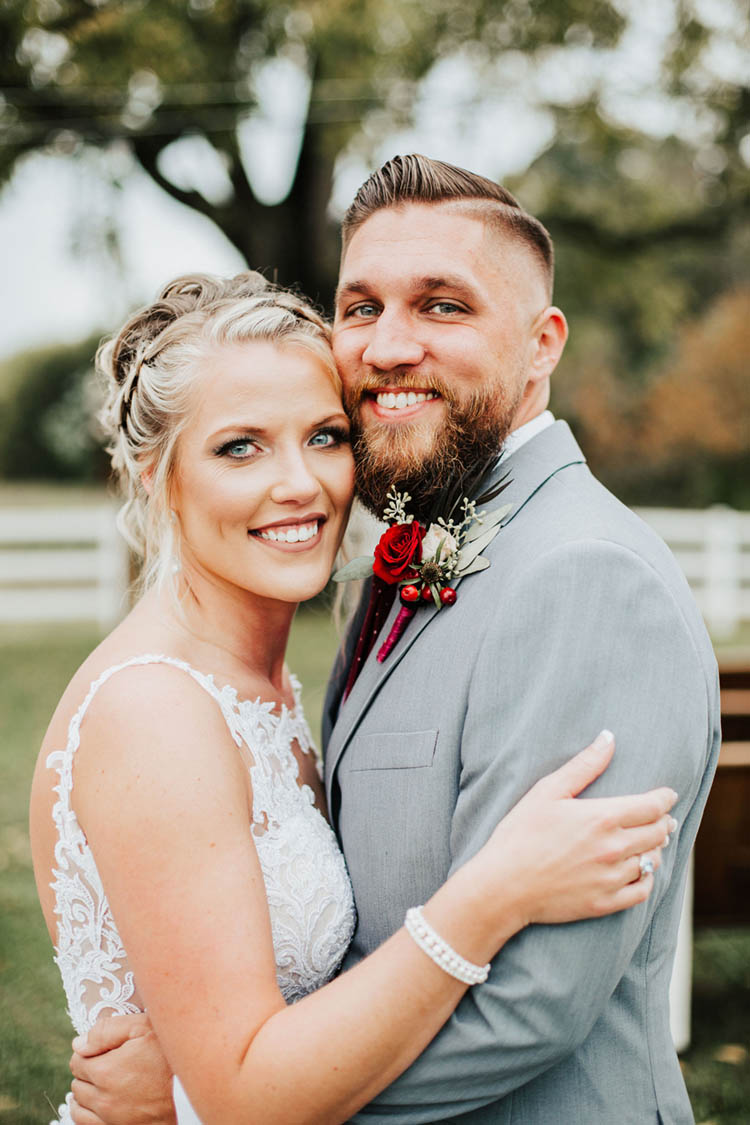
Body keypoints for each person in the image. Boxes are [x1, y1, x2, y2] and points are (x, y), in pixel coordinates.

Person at [57, 154, 719, 1124]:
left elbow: (528, 1007)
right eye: (361, 307)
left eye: (442, 306)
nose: (389, 344)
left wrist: (210, 1097)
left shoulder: (584, 577)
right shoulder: (412, 545)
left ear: (542, 344)